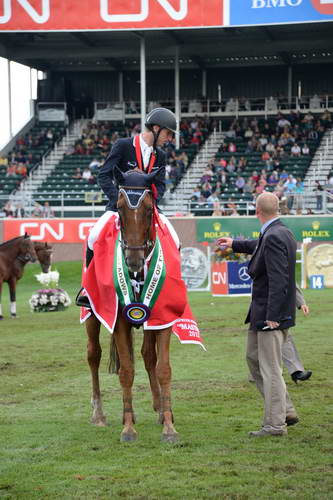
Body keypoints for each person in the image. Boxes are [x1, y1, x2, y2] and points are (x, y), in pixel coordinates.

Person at [76, 107, 178, 307]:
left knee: (175, 239)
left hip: (146, 210)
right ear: (156, 128)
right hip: (119, 207)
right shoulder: (123, 145)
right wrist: (118, 201)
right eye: (168, 133)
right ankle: (87, 289)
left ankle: (170, 286)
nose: (170, 138)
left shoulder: (161, 155)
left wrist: (150, 202)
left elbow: (161, 186)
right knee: (93, 236)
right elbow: (103, 175)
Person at [217, 192, 298, 437]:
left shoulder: (273, 235)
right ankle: (285, 409)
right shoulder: (280, 231)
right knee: (253, 359)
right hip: (262, 313)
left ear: (257, 211)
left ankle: (275, 425)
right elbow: (258, 246)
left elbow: (278, 279)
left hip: (269, 315)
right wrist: (234, 244)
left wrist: (273, 316)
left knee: (270, 369)